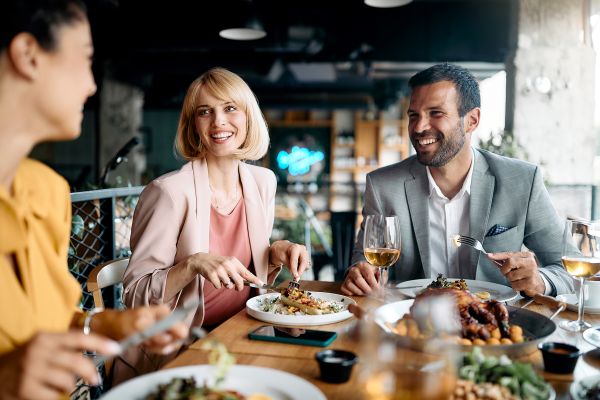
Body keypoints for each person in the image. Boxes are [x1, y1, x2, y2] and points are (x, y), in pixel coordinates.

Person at [0, 1, 189, 398]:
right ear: (28, 55)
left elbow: (46, 324)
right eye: (86, 60)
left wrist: (103, 326)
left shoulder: (47, 192)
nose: (92, 85)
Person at [116, 67, 309, 381]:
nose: (218, 121)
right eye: (205, 112)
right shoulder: (168, 192)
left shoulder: (262, 181)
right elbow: (135, 295)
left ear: (248, 116)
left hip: (245, 332)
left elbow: (246, 272)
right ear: (194, 125)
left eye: (230, 108)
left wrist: (277, 252)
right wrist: (193, 264)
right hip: (180, 351)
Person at [342, 63, 572, 298]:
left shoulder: (522, 181)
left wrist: (539, 282)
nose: (419, 127)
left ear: (472, 120)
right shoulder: (383, 186)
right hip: (413, 321)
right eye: (414, 115)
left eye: (436, 113)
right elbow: (365, 259)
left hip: (495, 323)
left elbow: (569, 268)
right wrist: (362, 273)